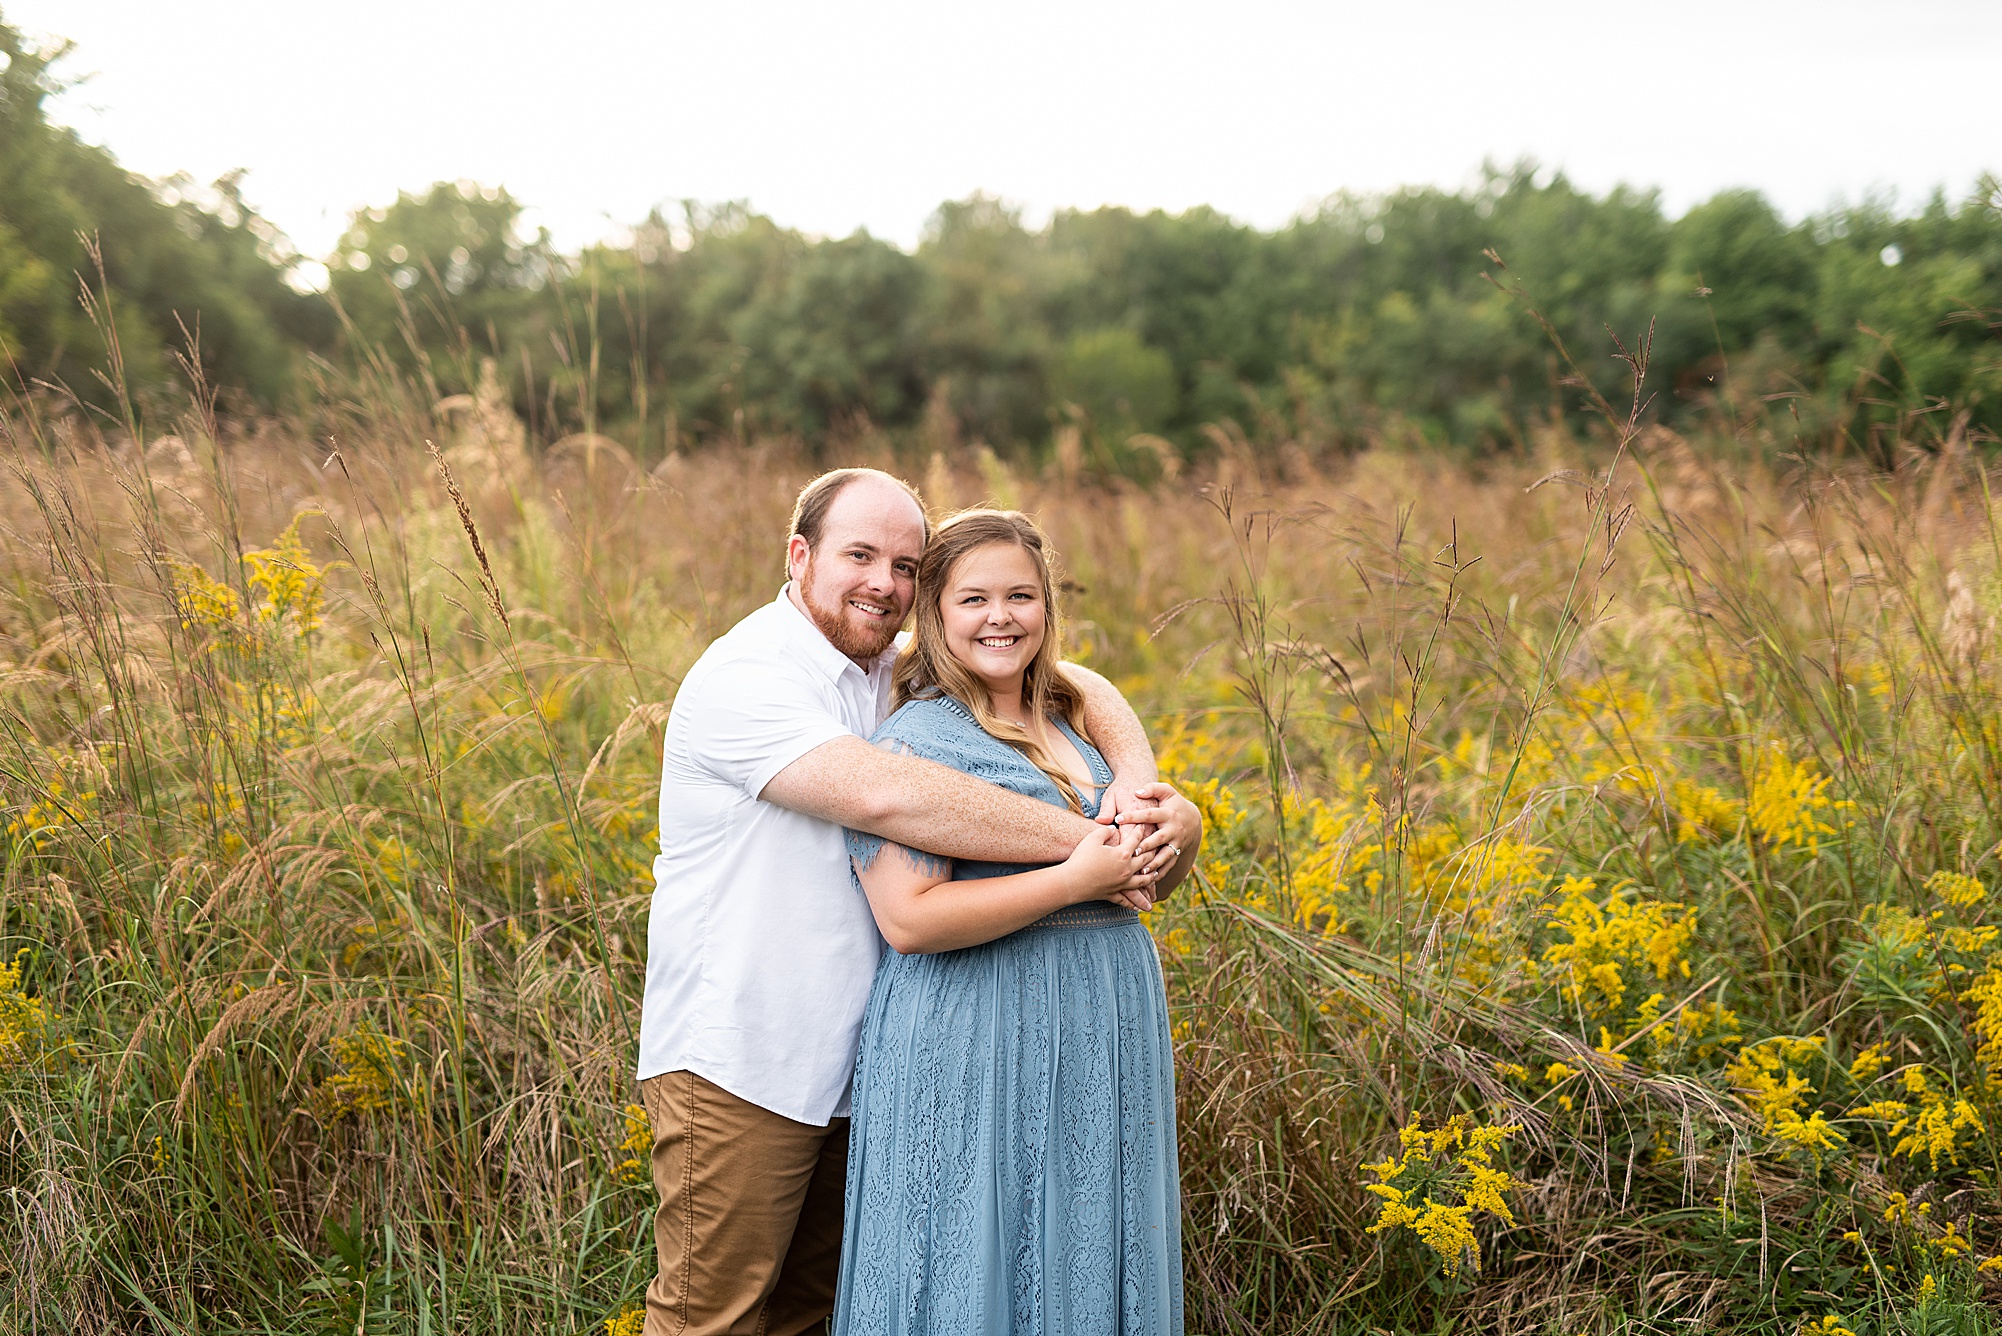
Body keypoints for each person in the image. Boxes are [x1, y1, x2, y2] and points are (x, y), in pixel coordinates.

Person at [637, 469, 1201, 1336]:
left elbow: (1074, 681)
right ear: (799, 555)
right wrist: (1096, 845)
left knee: (810, 1315)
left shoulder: (879, 660)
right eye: (859, 556)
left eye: (904, 566)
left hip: (858, 1057)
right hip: (745, 1055)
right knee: (711, 1318)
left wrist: (1143, 786)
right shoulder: (745, 677)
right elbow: (889, 798)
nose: (883, 583)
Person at [834, 509, 1199, 1335]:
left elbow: (1139, 886)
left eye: (1021, 596)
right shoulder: (917, 741)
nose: (1000, 617)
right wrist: (1070, 881)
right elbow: (908, 921)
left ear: (1047, 606)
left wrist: (1185, 832)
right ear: (935, 613)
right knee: (977, 1243)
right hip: (978, 1025)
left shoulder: (1078, 723)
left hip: (1104, 1021)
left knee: (1088, 1239)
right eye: (974, 599)